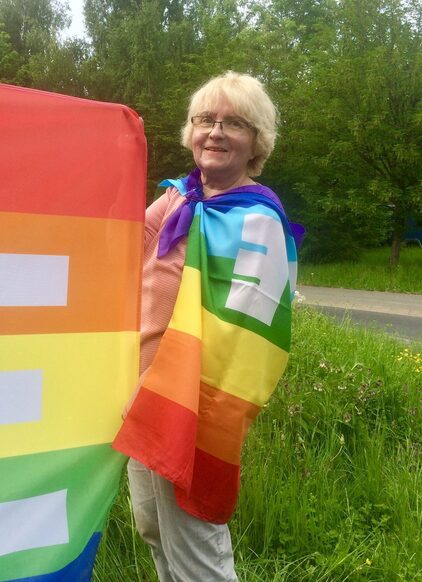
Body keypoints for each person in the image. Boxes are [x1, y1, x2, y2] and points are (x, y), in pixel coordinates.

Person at [113, 71, 301, 581]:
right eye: (205, 120)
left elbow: (244, 339)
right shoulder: (178, 197)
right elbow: (121, 235)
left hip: (189, 403)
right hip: (139, 389)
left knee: (196, 546)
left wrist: (190, 405)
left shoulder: (257, 220)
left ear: (256, 141)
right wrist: (115, 150)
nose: (215, 132)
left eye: (233, 123)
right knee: (153, 527)